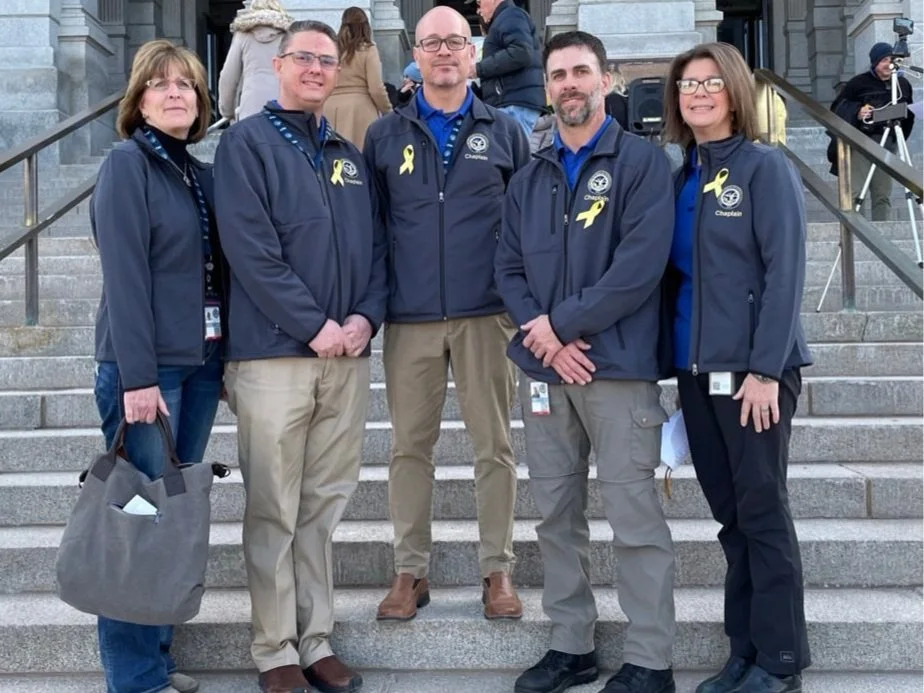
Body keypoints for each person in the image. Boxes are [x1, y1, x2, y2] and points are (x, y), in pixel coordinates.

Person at [495, 30, 677, 693]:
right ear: (547, 88)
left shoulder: (641, 164)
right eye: (558, 75)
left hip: (619, 369)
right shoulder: (531, 172)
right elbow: (507, 266)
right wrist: (546, 339)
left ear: (605, 80)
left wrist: (561, 326)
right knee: (554, 515)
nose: (569, 83)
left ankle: (652, 658)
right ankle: (571, 643)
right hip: (545, 371)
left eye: (581, 71)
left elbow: (638, 268)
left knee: (635, 516)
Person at [214, 19, 387, 693]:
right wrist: (315, 323)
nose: (316, 68)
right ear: (278, 65)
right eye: (304, 59)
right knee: (274, 506)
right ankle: (274, 647)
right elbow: (251, 250)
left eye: (326, 59)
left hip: (346, 358)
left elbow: (377, 248)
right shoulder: (247, 144)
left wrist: (365, 317)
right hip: (273, 356)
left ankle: (317, 638)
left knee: (323, 506)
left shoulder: (347, 151)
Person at [363, 6, 530, 624]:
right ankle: (410, 571)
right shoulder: (385, 134)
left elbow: (524, 227)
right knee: (410, 447)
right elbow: (372, 230)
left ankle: (498, 569)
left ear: (472, 51)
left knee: (495, 446)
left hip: (486, 314)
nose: (443, 53)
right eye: (431, 43)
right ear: (415, 49)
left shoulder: (506, 130)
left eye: (455, 43)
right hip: (410, 317)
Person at [661, 42, 813, 693]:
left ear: (734, 92)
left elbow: (785, 274)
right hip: (699, 374)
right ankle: (744, 648)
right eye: (687, 84)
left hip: (754, 374)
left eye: (709, 83)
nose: (696, 93)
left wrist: (765, 369)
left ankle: (781, 661)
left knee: (762, 510)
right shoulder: (683, 176)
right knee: (730, 515)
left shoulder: (763, 168)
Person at [91, 39, 225, 693]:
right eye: (161, 84)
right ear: (138, 100)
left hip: (196, 366)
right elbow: (124, 276)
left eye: (187, 85)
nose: (176, 93)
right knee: (137, 521)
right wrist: (140, 377)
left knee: (171, 517)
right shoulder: (127, 165)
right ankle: (134, 674)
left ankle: (159, 654)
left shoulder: (195, 171)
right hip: (146, 373)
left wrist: (220, 360)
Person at [834, 42, 915, 220]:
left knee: (882, 195)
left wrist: (897, 136)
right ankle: (856, 233)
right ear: (874, 62)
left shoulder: (902, 84)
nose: (888, 64)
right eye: (884, 60)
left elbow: (908, 113)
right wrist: (858, 111)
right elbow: (838, 108)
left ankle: (881, 235)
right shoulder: (858, 83)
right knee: (855, 191)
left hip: (888, 143)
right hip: (862, 142)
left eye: (891, 59)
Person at [470, 0, 545, 135]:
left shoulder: (510, 15)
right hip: (512, 102)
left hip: (513, 104)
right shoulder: (507, 18)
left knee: (508, 153)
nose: (478, 10)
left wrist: (477, 69)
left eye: (479, 2)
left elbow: (521, 53)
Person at [323, 7, 392, 149]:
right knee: (360, 162)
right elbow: (376, 88)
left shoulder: (332, 50)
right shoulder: (368, 49)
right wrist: (388, 111)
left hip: (329, 107)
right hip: (360, 111)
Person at [218, 0, 293, 121]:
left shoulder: (243, 35)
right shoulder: (289, 35)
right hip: (285, 109)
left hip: (250, 110)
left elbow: (228, 77)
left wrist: (227, 111)